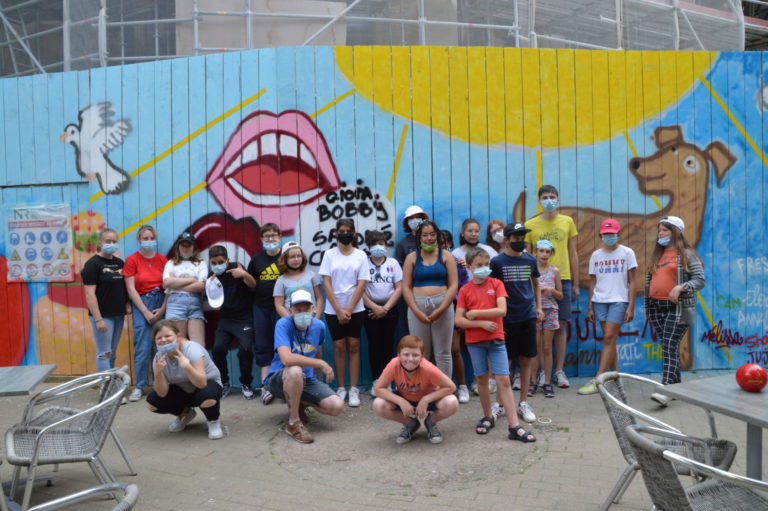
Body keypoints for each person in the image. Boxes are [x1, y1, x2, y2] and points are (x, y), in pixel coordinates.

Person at [455, 247, 536, 442]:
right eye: (479, 265)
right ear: (470, 267)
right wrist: (480, 323)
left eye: (486, 264)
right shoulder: (465, 290)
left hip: (497, 340)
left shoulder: (497, 284)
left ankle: (514, 425)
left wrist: (476, 314)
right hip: (475, 342)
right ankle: (487, 417)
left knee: (504, 380)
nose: (484, 268)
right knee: (482, 380)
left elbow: (502, 310)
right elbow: (459, 320)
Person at [262, 290, 344, 443]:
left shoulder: (319, 326)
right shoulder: (283, 324)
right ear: (290, 310)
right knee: (295, 370)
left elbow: (317, 352)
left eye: (306, 309)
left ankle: (299, 402)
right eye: (298, 310)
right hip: (278, 379)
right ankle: (293, 422)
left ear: (313, 308)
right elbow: (287, 359)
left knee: (336, 406)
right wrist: (321, 364)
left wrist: (319, 380)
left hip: (307, 379)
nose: (302, 313)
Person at [644, 216, 704, 406]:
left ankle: (666, 389)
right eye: (659, 230)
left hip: (677, 308)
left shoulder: (686, 255)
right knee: (668, 346)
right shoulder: (657, 255)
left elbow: (700, 280)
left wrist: (680, 287)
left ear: (676, 232)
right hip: (656, 308)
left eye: (665, 230)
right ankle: (676, 387)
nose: (661, 234)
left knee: (670, 344)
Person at [524, 185, 579, 388]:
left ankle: (559, 371)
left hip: (562, 279)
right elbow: (527, 256)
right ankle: (541, 372)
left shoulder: (567, 221)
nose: (549, 200)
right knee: (537, 329)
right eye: (545, 197)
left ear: (558, 199)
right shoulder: (530, 224)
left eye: (552, 196)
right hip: (537, 281)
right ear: (539, 201)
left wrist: (575, 283)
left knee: (560, 326)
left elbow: (573, 252)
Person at [490, 223, 544, 424]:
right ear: (506, 240)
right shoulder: (497, 262)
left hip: (527, 316)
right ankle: (499, 404)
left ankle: (523, 402)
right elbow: (492, 289)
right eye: (516, 238)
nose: (520, 241)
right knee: (505, 363)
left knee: (526, 359)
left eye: (522, 237)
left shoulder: (530, 259)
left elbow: (536, 283)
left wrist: (538, 307)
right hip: (506, 318)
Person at [578, 219, 637, 395]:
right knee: (609, 340)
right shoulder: (596, 255)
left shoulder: (627, 253)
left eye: (612, 234)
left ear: (618, 234)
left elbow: (633, 281)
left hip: (619, 300)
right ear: (600, 235)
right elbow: (593, 282)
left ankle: (599, 379)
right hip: (599, 301)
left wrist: (631, 306)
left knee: (609, 338)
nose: (609, 236)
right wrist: (590, 306)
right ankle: (615, 378)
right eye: (606, 234)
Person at [145, 320, 224, 440]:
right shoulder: (158, 357)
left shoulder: (192, 349)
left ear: (178, 336)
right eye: (159, 338)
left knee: (207, 395)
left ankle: (213, 420)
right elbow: (162, 393)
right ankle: (185, 414)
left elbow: (202, 383)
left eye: (168, 336)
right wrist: (158, 373)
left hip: (205, 387)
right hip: (184, 391)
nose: (163, 340)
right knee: (152, 403)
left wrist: (187, 366)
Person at [372, 335, 458, 444]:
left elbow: (451, 387)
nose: (410, 359)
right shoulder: (394, 364)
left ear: (422, 356)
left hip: (428, 399)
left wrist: (426, 399)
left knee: (452, 402)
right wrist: (400, 401)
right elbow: (378, 388)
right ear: (398, 355)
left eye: (415, 355)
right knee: (378, 404)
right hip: (405, 398)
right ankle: (411, 424)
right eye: (406, 354)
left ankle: (431, 422)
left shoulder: (428, 368)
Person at [319, 219, 368, 407]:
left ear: (354, 233)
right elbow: (326, 283)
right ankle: (341, 388)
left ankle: (354, 389)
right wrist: (339, 310)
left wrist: (349, 309)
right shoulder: (329, 254)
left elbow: (362, 283)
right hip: (333, 310)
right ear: (336, 233)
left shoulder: (361, 255)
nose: (345, 234)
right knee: (339, 347)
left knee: (354, 346)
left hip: (356, 308)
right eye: (341, 231)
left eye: (348, 231)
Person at [402, 220, 459, 378]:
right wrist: (416, 311)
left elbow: (454, 284)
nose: (429, 238)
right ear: (419, 237)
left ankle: (445, 389)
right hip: (417, 308)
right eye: (425, 235)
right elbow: (406, 287)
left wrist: (442, 309)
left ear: (437, 236)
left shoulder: (446, 255)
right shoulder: (411, 258)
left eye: (432, 234)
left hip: (443, 308)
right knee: (420, 352)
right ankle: (422, 388)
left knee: (443, 353)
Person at [124, 225, 168, 402]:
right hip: (141, 302)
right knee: (142, 346)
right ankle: (140, 385)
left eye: (151, 238)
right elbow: (130, 289)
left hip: (160, 302)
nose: (149, 241)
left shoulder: (163, 260)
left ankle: (162, 384)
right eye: (145, 238)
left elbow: (168, 287)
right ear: (139, 240)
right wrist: (145, 311)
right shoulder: (132, 260)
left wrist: (163, 308)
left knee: (162, 346)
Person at [207, 245, 257, 400]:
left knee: (245, 349)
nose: (217, 265)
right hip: (225, 319)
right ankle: (224, 382)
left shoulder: (237, 268)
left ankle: (246, 383)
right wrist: (209, 285)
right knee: (218, 349)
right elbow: (212, 300)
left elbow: (253, 285)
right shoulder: (211, 276)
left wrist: (244, 274)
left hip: (244, 318)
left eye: (220, 262)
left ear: (227, 261)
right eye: (214, 262)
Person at [362, 230, 403, 396]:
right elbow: (359, 289)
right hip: (370, 310)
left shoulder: (393, 263)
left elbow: (399, 287)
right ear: (368, 246)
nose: (378, 247)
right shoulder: (364, 264)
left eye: (381, 243)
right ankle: (376, 381)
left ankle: (388, 381)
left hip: (390, 310)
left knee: (387, 345)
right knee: (374, 345)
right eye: (374, 244)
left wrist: (385, 308)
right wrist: (374, 307)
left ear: (385, 245)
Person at [82, 228, 129, 373]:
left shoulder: (119, 263)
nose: (112, 244)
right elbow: (89, 293)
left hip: (118, 315)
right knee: (104, 353)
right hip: (103, 317)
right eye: (108, 241)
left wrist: (127, 304)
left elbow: (124, 287)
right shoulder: (92, 264)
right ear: (100, 242)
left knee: (112, 352)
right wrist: (98, 319)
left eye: (114, 241)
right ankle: (104, 384)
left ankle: (110, 383)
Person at [246, 223, 283, 404]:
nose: (270, 239)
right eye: (267, 236)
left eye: (273, 235)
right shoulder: (256, 260)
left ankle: (283, 385)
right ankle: (266, 386)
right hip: (261, 307)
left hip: (282, 308)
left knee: (283, 345)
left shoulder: (286, 257)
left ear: (279, 237)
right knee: (263, 345)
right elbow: (251, 283)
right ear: (261, 239)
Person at [443, 229, 472, 403]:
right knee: (437, 350)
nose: (442, 246)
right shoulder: (427, 262)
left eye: (445, 243)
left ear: (450, 244)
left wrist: (462, 310)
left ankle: (462, 385)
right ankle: (441, 386)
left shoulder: (457, 264)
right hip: (434, 308)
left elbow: (464, 288)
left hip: (454, 307)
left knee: (454, 348)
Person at [162, 232, 207, 345]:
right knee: (177, 344)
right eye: (183, 245)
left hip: (195, 305)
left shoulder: (200, 264)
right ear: (178, 247)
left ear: (194, 247)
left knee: (199, 346)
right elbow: (166, 283)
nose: (185, 249)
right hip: (175, 304)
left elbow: (201, 286)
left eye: (188, 246)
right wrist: (192, 280)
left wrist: (176, 282)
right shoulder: (171, 263)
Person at [531, 240, 562, 398]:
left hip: (550, 311)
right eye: (541, 251)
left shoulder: (554, 271)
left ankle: (547, 382)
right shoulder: (531, 270)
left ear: (551, 254)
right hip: (535, 312)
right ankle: (532, 381)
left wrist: (550, 290)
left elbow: (561, 295)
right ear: (536, 252)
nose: (544, 254)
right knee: (534, 348)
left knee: (547, 347)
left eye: (547, 251)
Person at [273, 241, 324, 318]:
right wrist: (291, 321)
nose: (296, 259)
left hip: (312, 319)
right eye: (292, 257)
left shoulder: (311, 275)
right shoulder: (281, 281)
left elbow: (319, 298)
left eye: (299, 256)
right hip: (291, 320)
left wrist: (317, 318)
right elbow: (279, 305)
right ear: (285, 259)